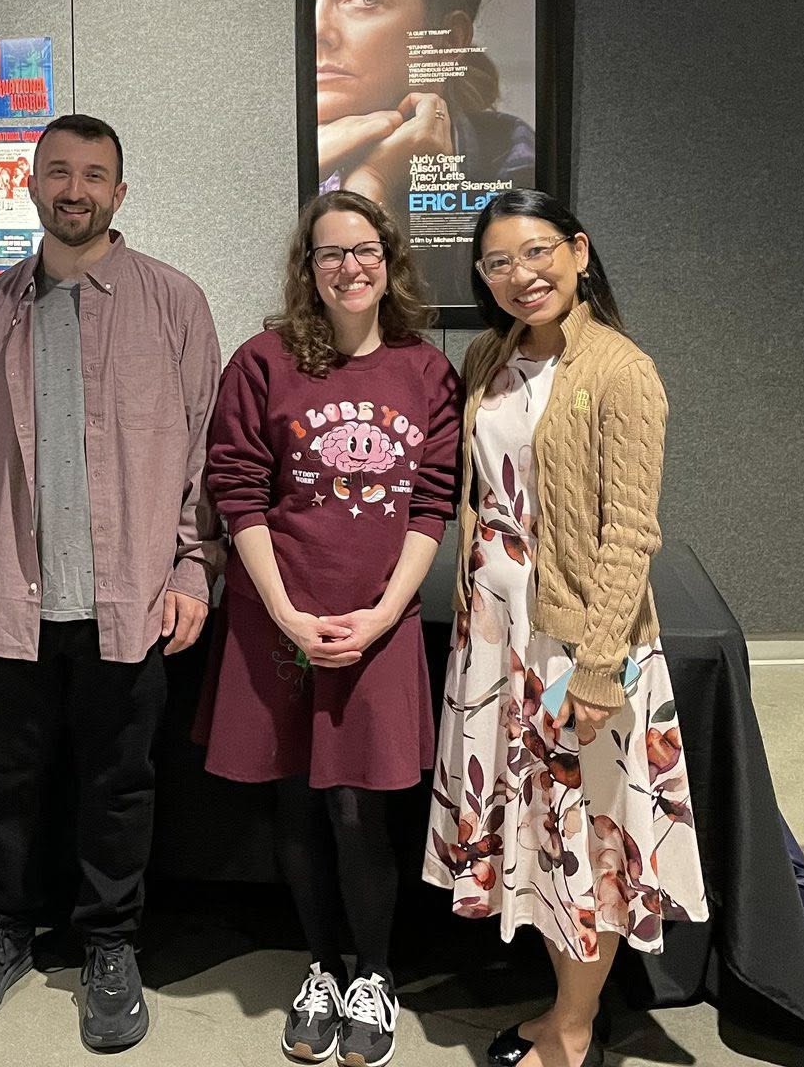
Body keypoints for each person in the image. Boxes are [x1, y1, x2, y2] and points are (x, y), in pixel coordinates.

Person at [0, 114, 221, 1053]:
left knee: (120, 781)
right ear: (31, 186)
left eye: (94, 174)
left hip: (130, 599)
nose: (74, 188)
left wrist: (191, 567)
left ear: (119, 193)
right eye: (57, 171)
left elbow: (206, 459)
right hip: (11, 596)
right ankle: (8, 929)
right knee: (6, 780)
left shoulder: (174, 304)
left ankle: (109, 942)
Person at [424, 189, 706, 1067]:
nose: (522, 275)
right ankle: (561, 1005)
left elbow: (631, 533)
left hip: (578, 645)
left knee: (583, 834)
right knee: (534, 832)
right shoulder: (486, 357)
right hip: (495, 641)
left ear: (579, 252)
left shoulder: (621, 370)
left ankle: (577, 1026)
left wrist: (596, 669)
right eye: (500, 262)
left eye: (538, 252)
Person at [194, 188, 459, 1067]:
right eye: (330, 253)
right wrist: (285, 611)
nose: (350, 267)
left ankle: (374, 974)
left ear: (390, 263)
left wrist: (386, 614)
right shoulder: (262, 362)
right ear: (307, 269)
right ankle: (320, 966)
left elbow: (432, 502)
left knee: (360, 811)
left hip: (375, 624)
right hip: (279, 617)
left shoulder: (426, 372)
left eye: (365, 251)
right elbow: (236, 488)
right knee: (299, 801)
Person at [313, 0, 537, 302]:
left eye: (365, 0)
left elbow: (385, 320)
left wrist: (371, 181)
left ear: (449, 40)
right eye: (315, 6)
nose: (319, 32)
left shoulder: (514, 162)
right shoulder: (291, 161)